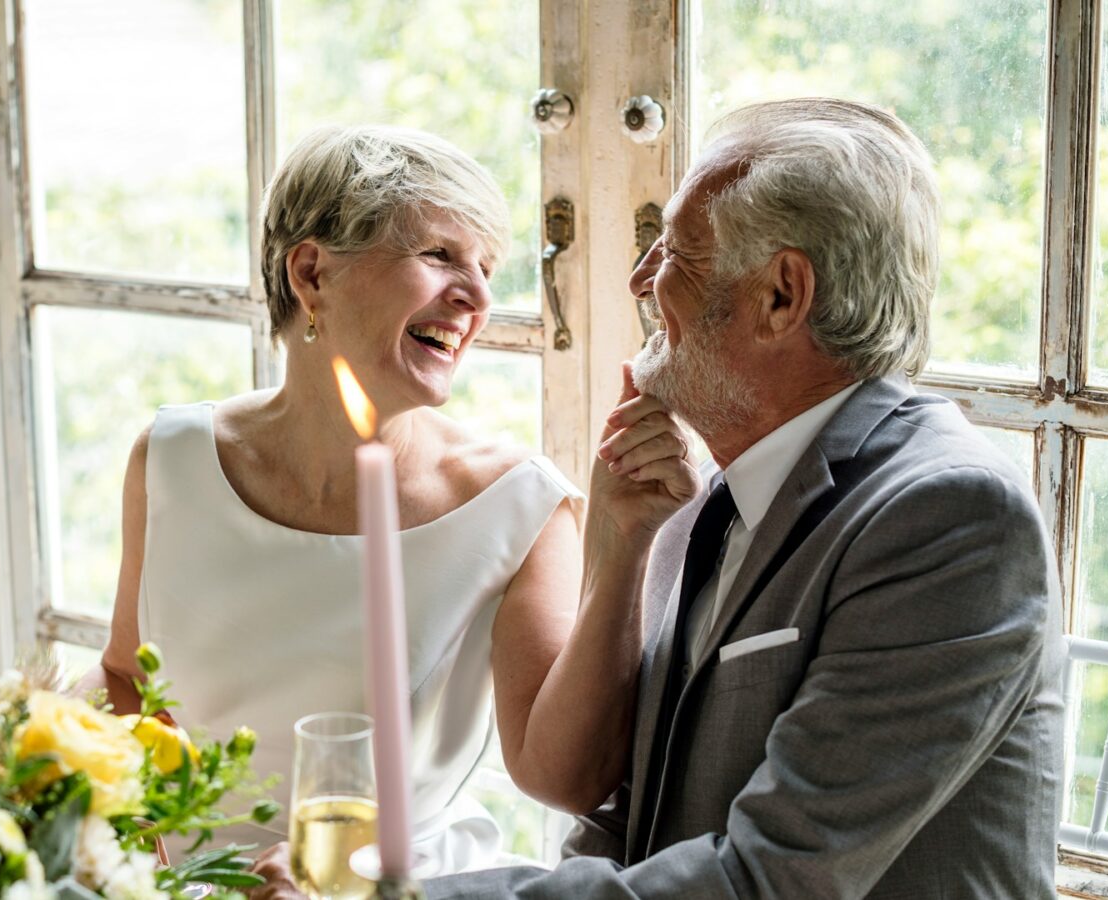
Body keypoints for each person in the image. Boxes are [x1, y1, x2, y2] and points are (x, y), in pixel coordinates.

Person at [252, 98, 1064, 897]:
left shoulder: (949, 518)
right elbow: (620, 826)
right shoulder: (697, 508)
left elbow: (768, 877)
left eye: (674, 251)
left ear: (782, 294)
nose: (641, 279)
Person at [81, 125, 674, 872]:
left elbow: (563, 778)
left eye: (487, 268)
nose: (480, 297)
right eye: (439, 255)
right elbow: (126, 680)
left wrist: (624, 550)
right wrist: (129, 838)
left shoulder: (517, 505)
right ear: (311, 274)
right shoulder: (170, 458)